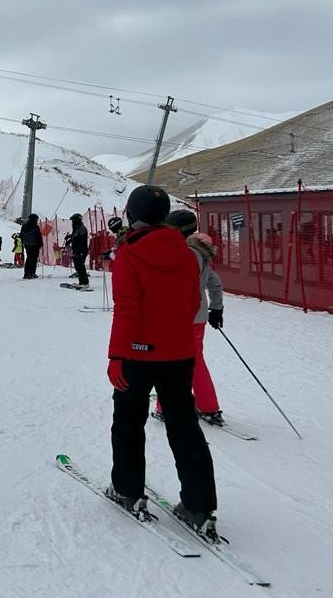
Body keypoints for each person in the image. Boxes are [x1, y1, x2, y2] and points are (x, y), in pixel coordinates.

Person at [106, 184, 219, 539]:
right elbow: (190, 304)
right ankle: (200, 507)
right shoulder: (187, 253)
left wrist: (117, 356)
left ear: (132, 214)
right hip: (179, 354)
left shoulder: (129, 253)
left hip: (138, 354)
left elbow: (126, 310)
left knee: (128, 421)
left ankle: (127, 489)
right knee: (184, 426)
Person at [154, 209, 226, 425]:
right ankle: (206, 405)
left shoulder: (186, 253)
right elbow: (213, 281)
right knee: (192, 361)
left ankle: (170, 407)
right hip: (196, 316)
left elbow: (178, 286)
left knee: (174, 362)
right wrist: (216, 308)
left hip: (182, 318)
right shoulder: (199, 251)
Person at [67, 213, 90, 287]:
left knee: (80, 266)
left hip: (81, 250)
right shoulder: (77, 227)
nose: (72, 221)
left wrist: (78, 251)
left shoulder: (82, 228)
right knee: (77, 266)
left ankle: (85, 282)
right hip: (77, 250)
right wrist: (69, 238)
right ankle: (81, 282)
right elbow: (75, 236)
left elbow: (80, 240)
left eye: (73, 220)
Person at [20, 214, 42, 278]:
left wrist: (24, 242)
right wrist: (40, 243)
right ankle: (32, 273)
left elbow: (21, 236)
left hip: (27, 245)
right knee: (34, 259)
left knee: (28, 258)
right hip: (35, 245)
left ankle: (26, 273)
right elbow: (38, 236)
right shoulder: (35, 226)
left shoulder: (24, 226)